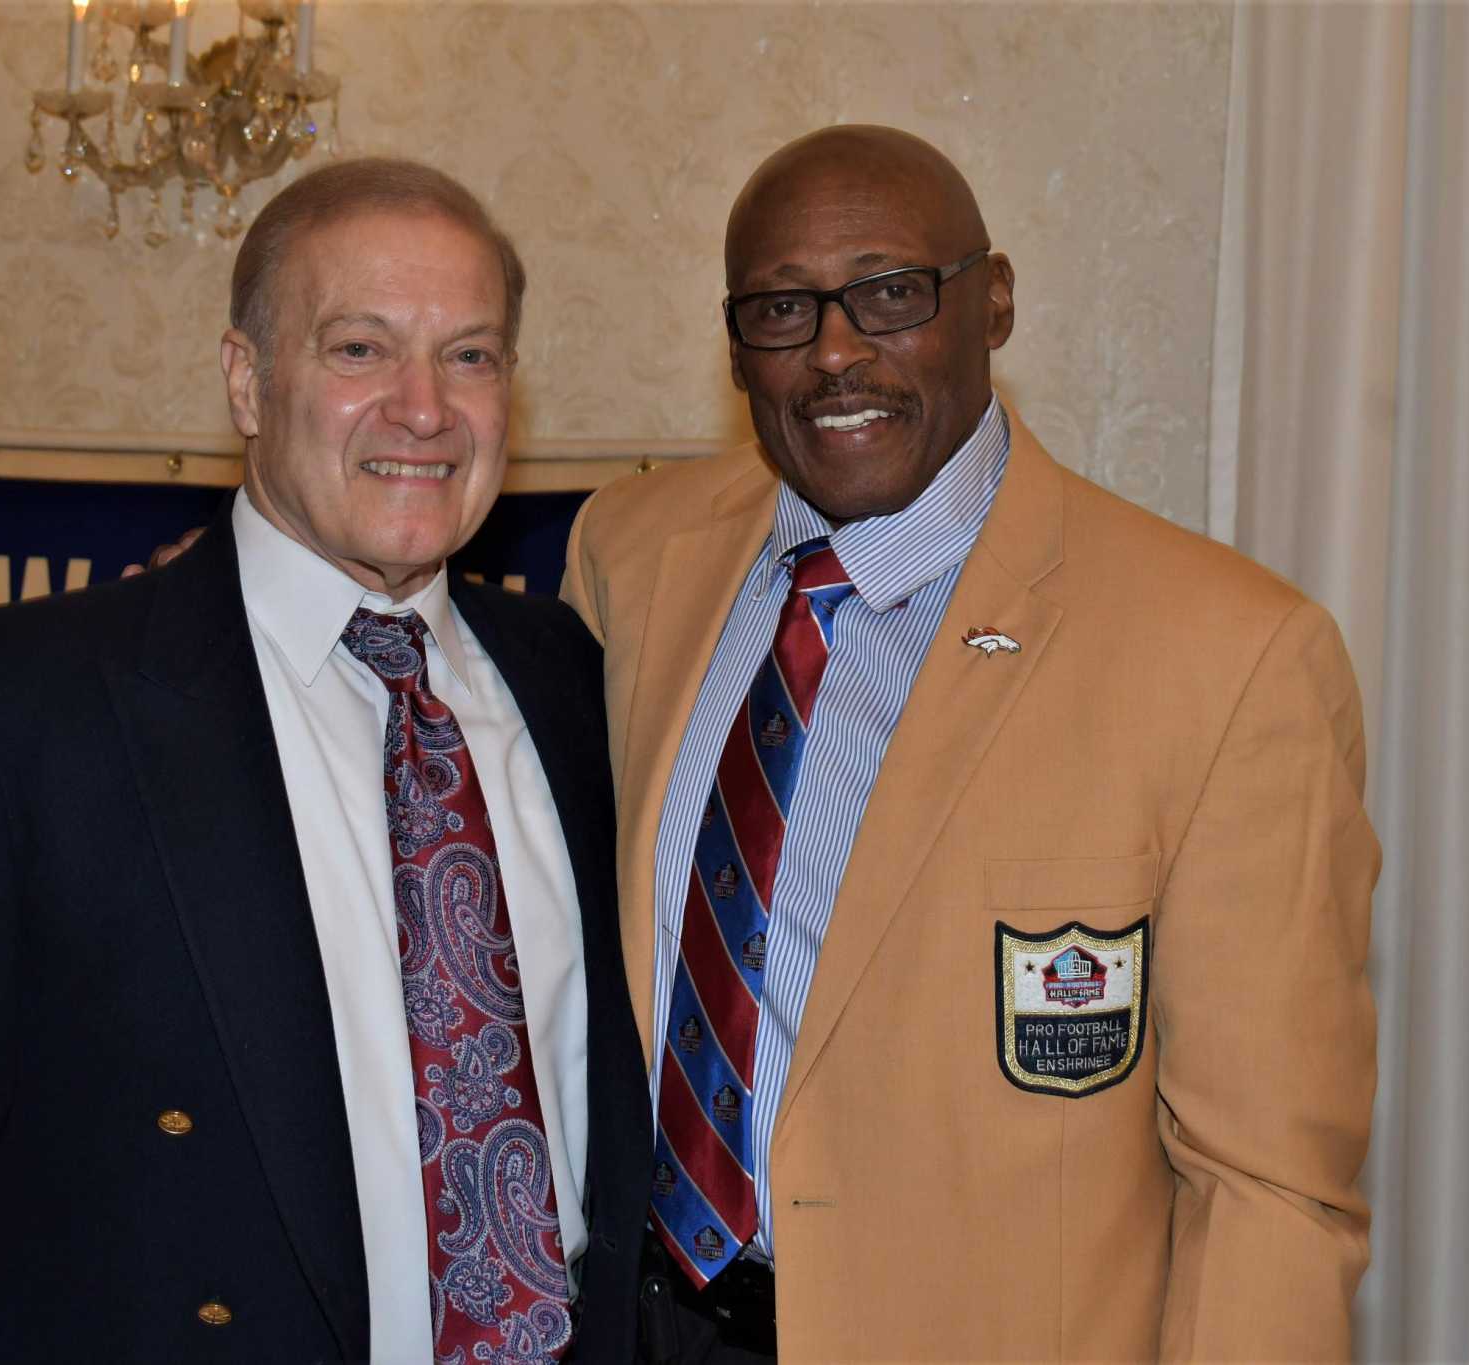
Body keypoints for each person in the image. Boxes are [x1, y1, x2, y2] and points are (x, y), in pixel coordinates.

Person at [0, 158, 649, 1364]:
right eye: (359, 350)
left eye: (470, 354)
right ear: (246, 380)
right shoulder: (25, 706)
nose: (423, 408)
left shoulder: (567, 676)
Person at [560, 124, 1380, 1362]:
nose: (835, 353)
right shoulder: (627, 555)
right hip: (638, 1324)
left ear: (990, 301)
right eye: (782, 309)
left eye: (889, 294)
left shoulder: (1229, 658)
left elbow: (1267, 1189)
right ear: (734, 346)